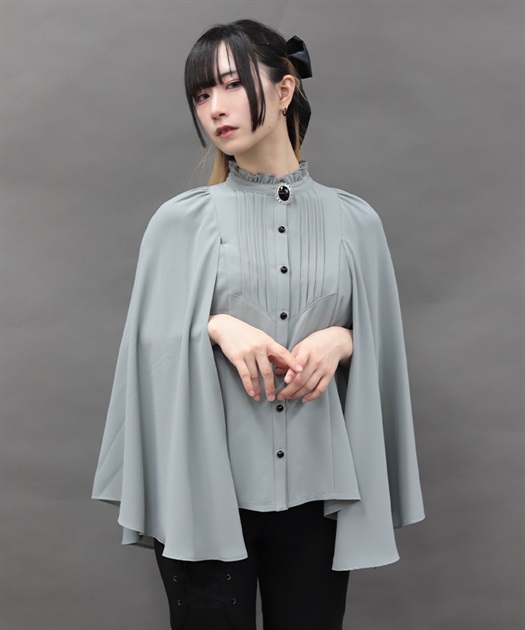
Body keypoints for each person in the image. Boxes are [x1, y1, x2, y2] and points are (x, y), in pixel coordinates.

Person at [92, 18, 425, 630]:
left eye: (230, 85)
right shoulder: (179, 222)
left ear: (284, 88)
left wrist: (347, 339)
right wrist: (214, 327)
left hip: (317, 498)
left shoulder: (356, 223)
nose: (214, 108)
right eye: (201, 95)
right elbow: (144, 358)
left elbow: (388, 353)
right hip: (204, 491)